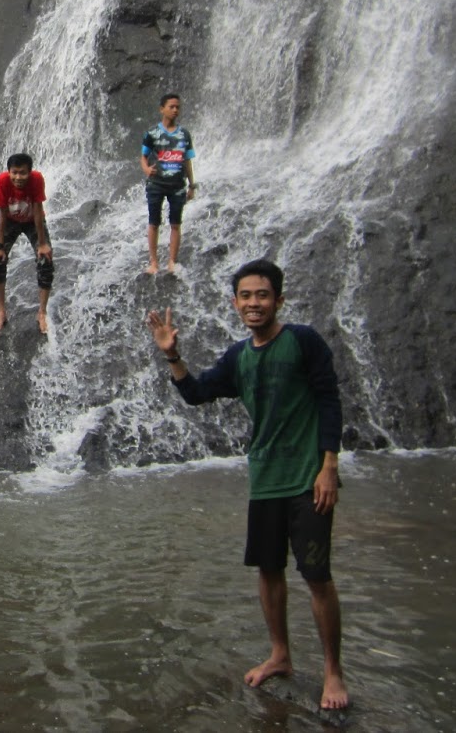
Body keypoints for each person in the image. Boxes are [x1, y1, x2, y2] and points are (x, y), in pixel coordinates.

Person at [146, 259, 348, 711]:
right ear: (235, 303)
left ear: (278, 299)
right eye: (245, 296)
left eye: (262, 295)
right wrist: (172, 354)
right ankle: (280, 655)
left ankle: (334, 671)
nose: (253, 303)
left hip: (307, 478)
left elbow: (329, 399)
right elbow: (197, 393)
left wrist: (329, 464)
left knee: (317, 575)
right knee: (269, 569)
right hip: (265, 479)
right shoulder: (240, 357)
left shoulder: (303, 342)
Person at [0, 152, 53, 333]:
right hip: (10, 220)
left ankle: (42, 312)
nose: (18, 177)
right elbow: (2, 213)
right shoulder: (2, 181)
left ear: (30, 172)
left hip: (33, 221)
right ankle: (1, 312)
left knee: (45, 260)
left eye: (23, 173)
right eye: (15, 172)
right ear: (8, 172)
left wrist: (42, 243)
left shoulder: (36, 180)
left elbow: (38, 210)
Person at [139, 93, 197, 274]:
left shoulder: (184, 134)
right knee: (154, 222)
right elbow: (143, 156)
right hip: (156, 184)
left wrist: (191, 185)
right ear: (162, 109)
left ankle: (172, 261)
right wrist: (147, 170)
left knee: (175, 224)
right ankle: (154, 262)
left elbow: (187, 161)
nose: (175, 110)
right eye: (171, 107)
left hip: (177, 185)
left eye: (177, 107)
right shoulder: (152, 133)